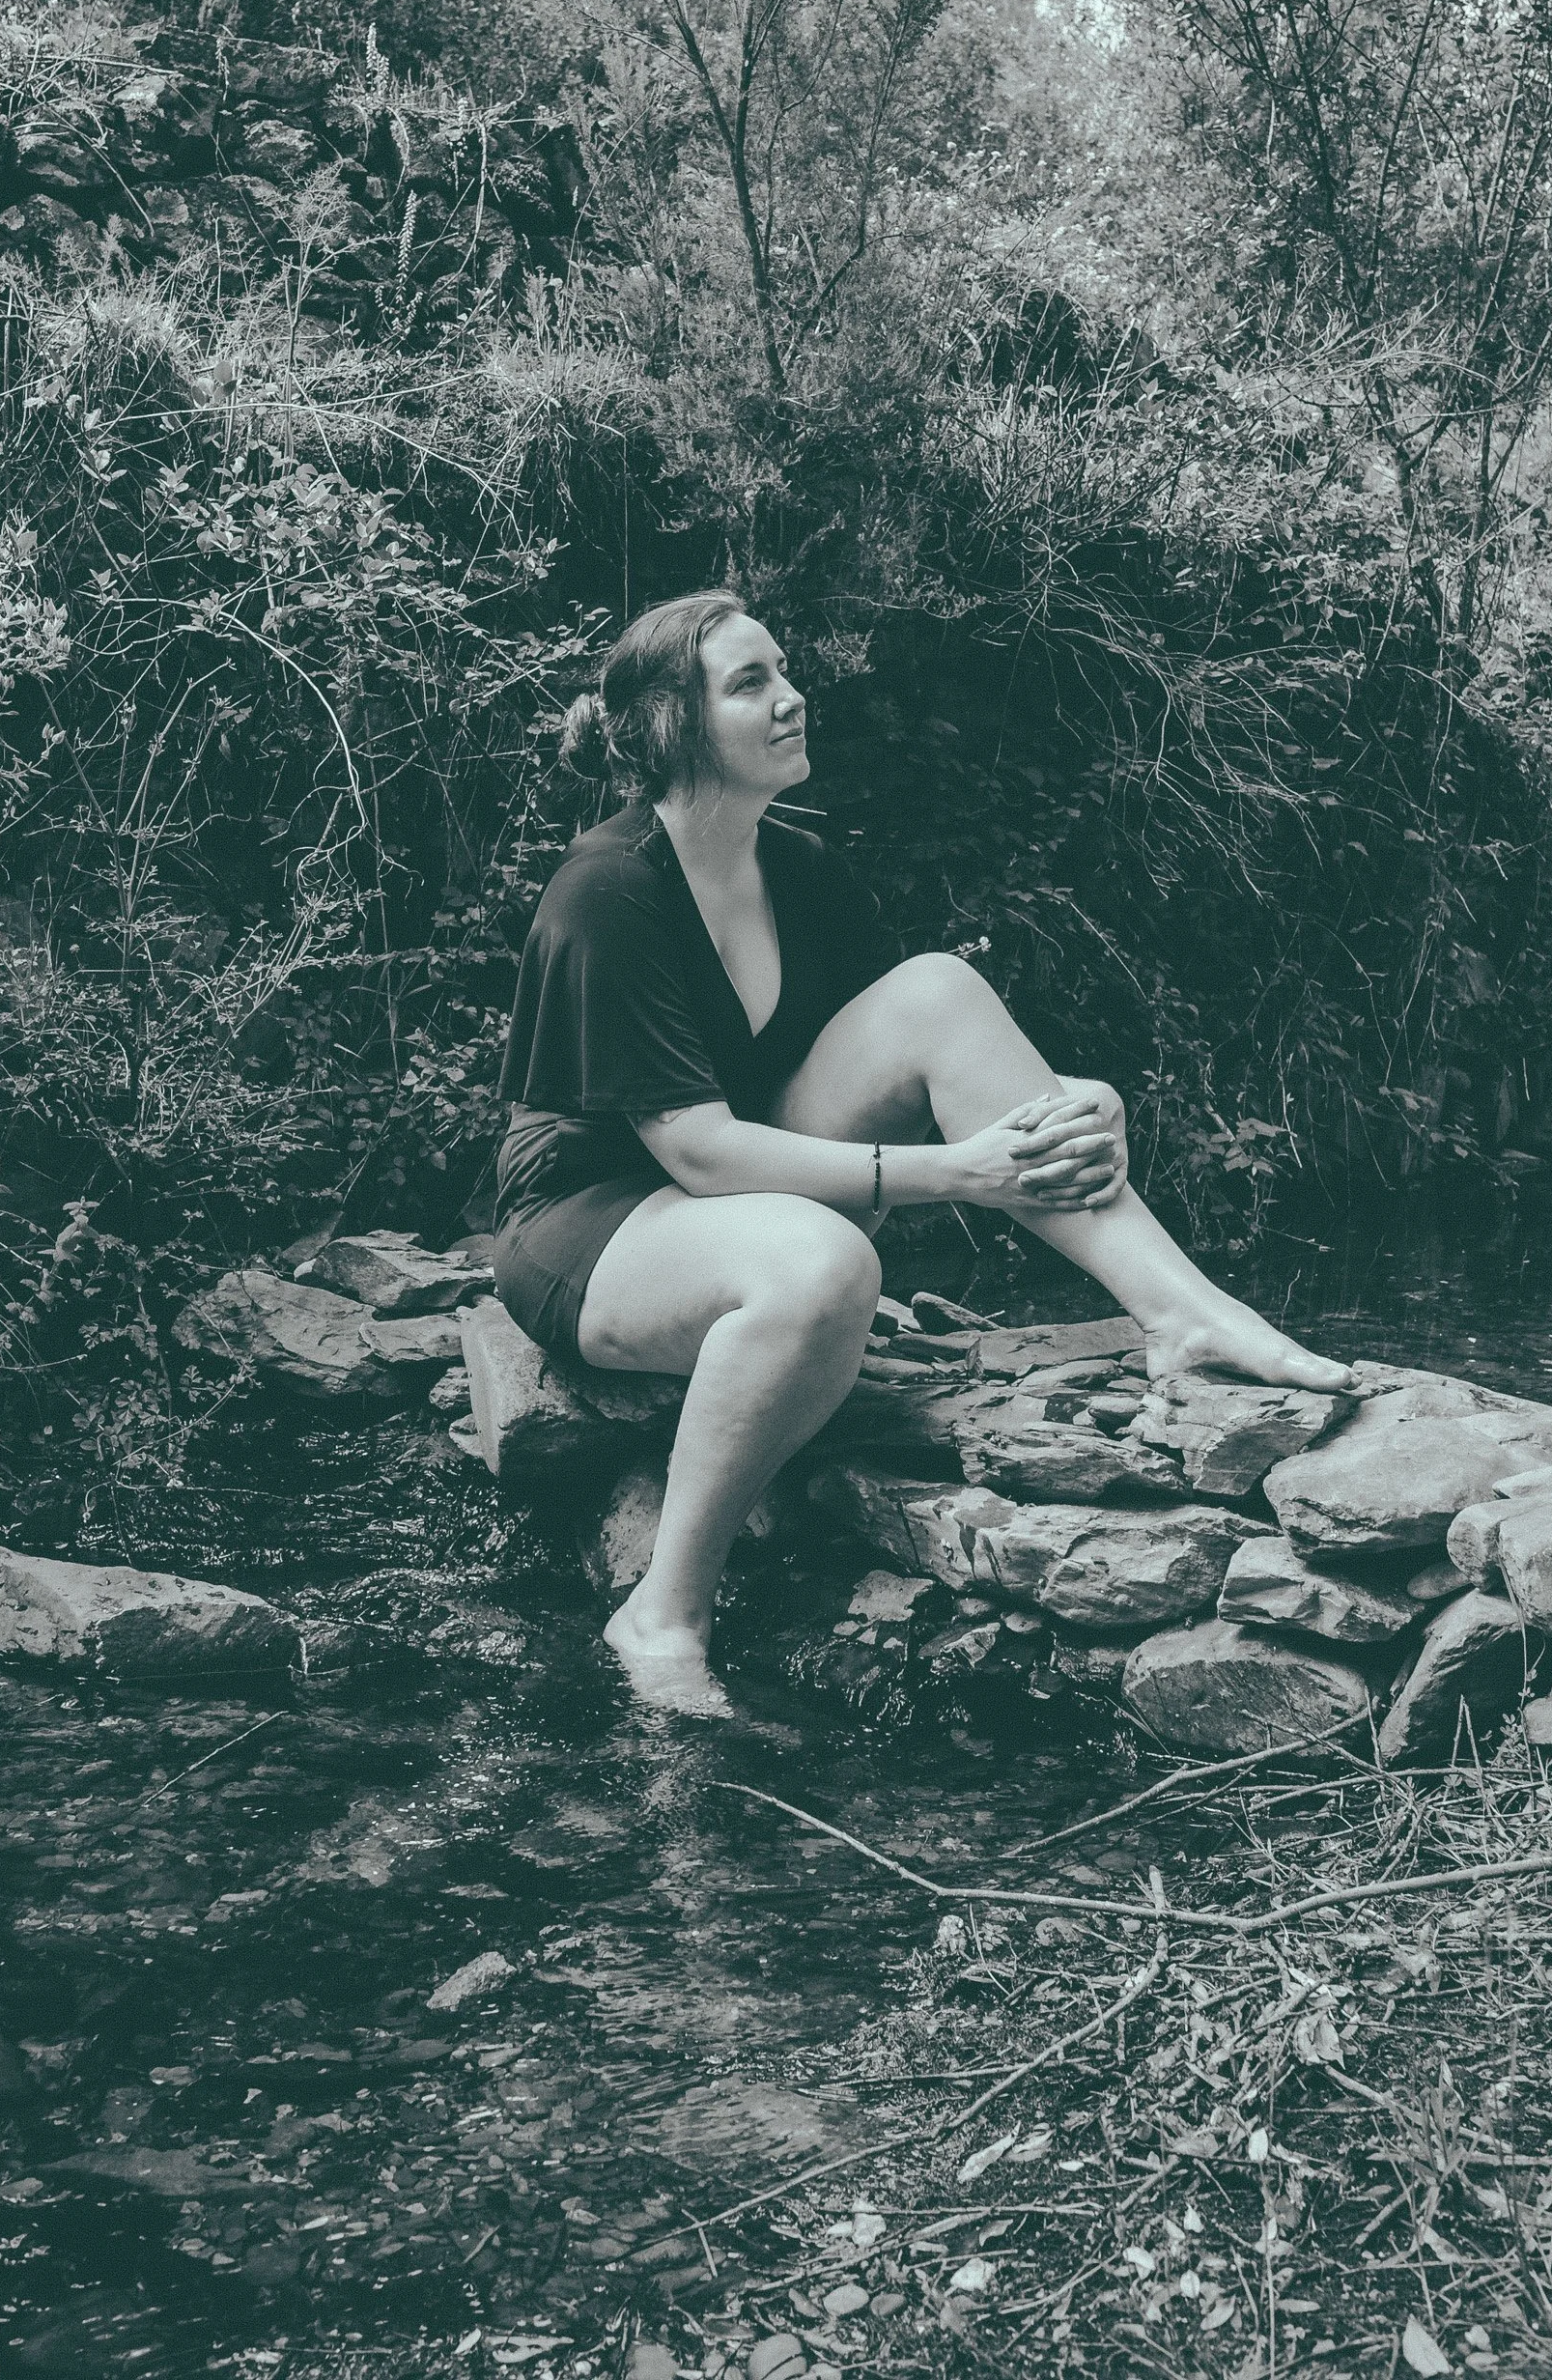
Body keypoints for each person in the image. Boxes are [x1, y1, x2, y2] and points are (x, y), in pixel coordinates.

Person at [493, 588, 1351, 1717]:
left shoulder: (803, 871)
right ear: (670, 727)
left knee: (942, 988)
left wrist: (1071, 1104)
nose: (792, 697)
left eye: (783, 669)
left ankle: (1181, 1315)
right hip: (596, 1217)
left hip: (753, 1173)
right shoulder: (605, 892)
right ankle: (662, 1611)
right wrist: (960, 1175)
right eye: (750, 683)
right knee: (821, 1268)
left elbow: (917, 1074)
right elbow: (696, 1153)